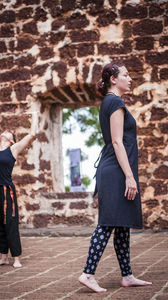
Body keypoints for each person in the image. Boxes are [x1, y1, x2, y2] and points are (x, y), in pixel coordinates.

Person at [78, 61, 152, 292]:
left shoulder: (109, 101)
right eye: (126, 75)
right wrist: (130, 177)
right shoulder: (115, 101)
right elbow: (118, 142)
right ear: (114, 79)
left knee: (121, 224)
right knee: (108, 222)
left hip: (114, 169)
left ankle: (127, 275)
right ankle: (88, 274)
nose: (130, 79)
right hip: (116, 171)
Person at [0, 106, 38, 268]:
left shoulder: (13, 149)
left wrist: (35, 116)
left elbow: (32, 135)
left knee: (10, 222)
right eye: (6, 130)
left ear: (12, 139)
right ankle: (3, 256)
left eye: (10, 132)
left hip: (6, 191)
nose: (6, 131)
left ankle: (16, 257)